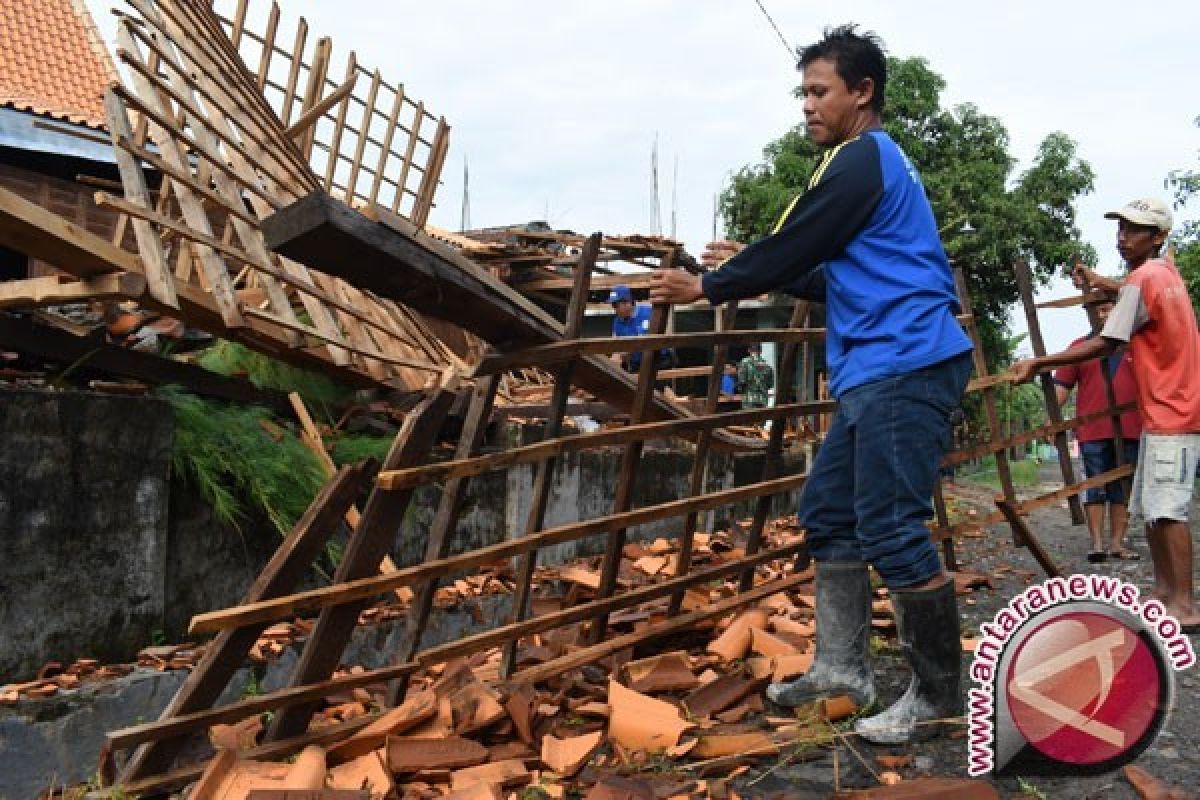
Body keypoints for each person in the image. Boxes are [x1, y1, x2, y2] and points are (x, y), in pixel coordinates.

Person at [650, 24, 973, 744]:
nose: (806, 106)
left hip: (905, 359)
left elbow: (798, 242)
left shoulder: (857, 161)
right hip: (878, 365)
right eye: (802, 92)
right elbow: (829, 272)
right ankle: (843, 670)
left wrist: (711, 283)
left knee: (891, 525)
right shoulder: (870, 169)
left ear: (862, 93)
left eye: (818, 91)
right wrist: (752, 262)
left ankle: (940, 701)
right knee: (830, 512)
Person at [1013, 198, 1200, 632]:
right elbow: (1136, 291)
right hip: (1170, 411)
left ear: (1157, 237)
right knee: (1152, 508)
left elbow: (1106, 342)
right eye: (1121, 228)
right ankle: (1165, 593)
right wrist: (1103, 281)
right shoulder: (1165, 272)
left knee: (1168, 511)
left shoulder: (1142, 279)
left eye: (1135, 230)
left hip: (1172, 412)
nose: (1123, 236)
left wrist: (1039, 363)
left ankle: (1185, 605)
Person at [1052, 298, 1143, 564]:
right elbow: (1062, 388)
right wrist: (1052, 421)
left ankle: (1117, 543)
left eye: (1109, 307)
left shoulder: (1136, 346)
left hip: (1131, 429)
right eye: (1098, 309)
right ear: (1090, 314)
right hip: (1092, 430)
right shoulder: (1080, 348)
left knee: (1122, 488)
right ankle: (1096, 543)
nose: (1104, 314)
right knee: (1094, 486)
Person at [607, 284, 673, 372]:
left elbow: (656, 340)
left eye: (615, 305)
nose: (614, 309)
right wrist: (615, 356)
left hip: (659, 362)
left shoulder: (650, 313)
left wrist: (624, 353)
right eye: (613, 305)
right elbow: (615, 343)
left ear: (628, 302)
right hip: (637, 365)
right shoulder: (617, 321)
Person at [737, 344, 775, 409]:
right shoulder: (767, 365)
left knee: (749, 418)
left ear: (749, 350)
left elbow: (741, 381)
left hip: (749, 398)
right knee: (761, 418)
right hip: (763, 399)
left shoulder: (744, 362)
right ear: (760, 351)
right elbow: (770, 385)